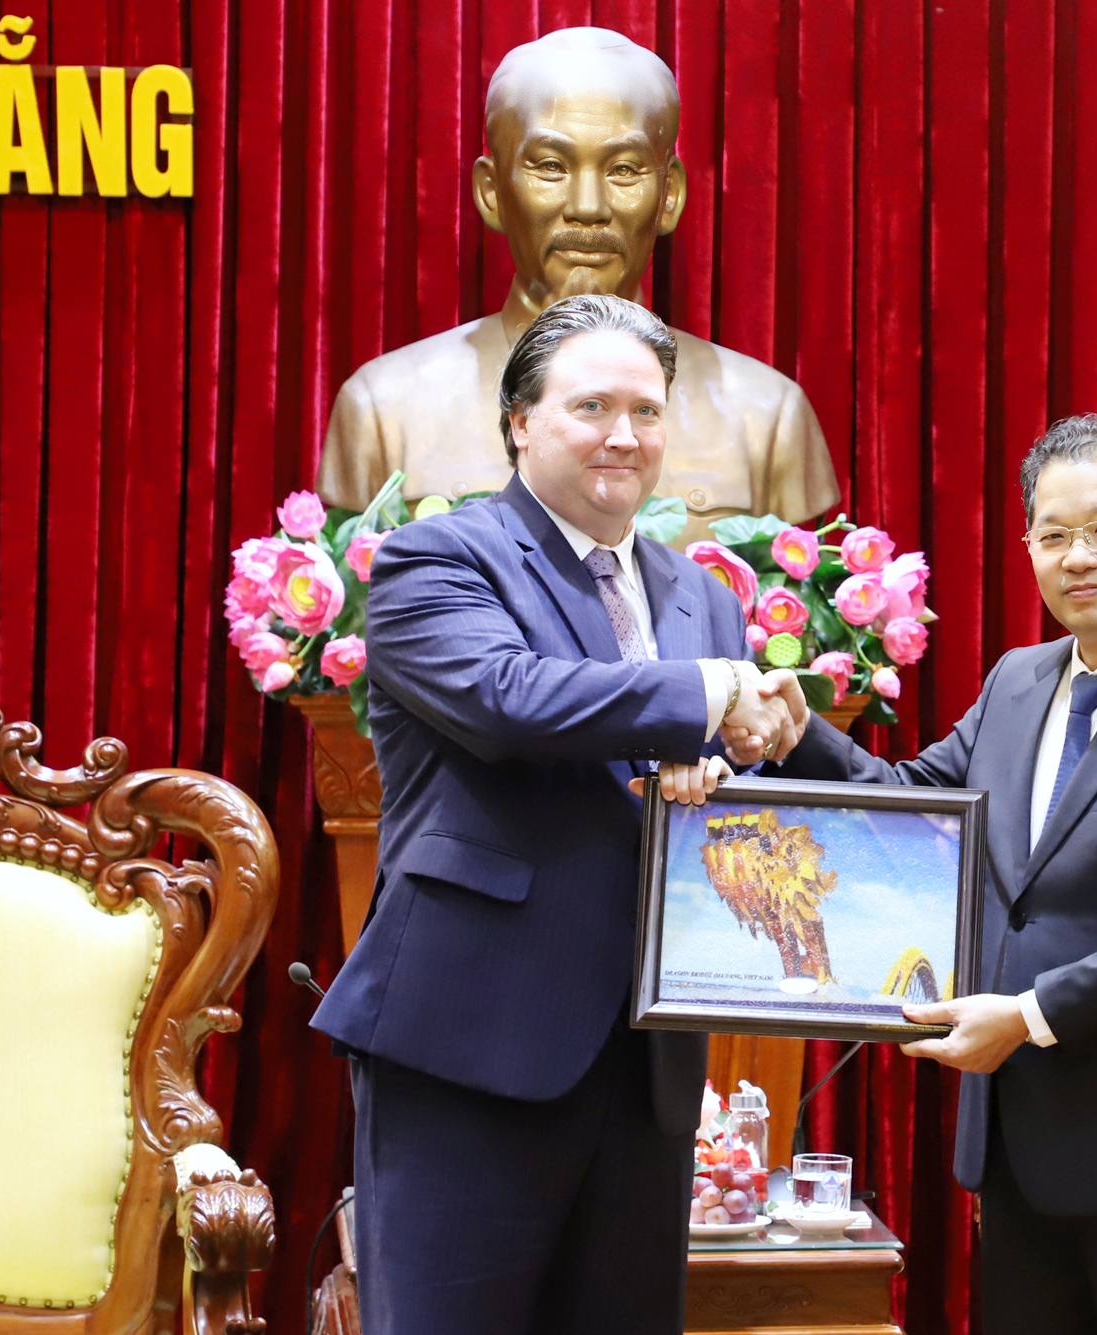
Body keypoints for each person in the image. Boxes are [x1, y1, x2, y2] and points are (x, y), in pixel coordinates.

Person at [694, 414, 1097, 1333]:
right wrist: (795, 725)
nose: (1077, 557)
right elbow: (912, 804)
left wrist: (1029, 1016)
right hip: (1021, 1156)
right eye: (1053, 536)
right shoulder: (1021, 680)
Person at [309, 293, 801, 1335]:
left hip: (647, 1060)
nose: (623, 435)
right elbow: (507, 699)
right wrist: (714, 693)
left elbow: (687, 775)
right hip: (473, 1042)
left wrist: (727, 764)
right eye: (590, 407)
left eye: (647, 411)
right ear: (520, 422)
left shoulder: (700, 598)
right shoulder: (437, 559)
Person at [315, 26, 842, 546]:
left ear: (669, 196)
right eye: (550, 166)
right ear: (492, 191)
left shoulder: (766, 418)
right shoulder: (384, 410)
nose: (588, 207)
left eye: (624, 170)